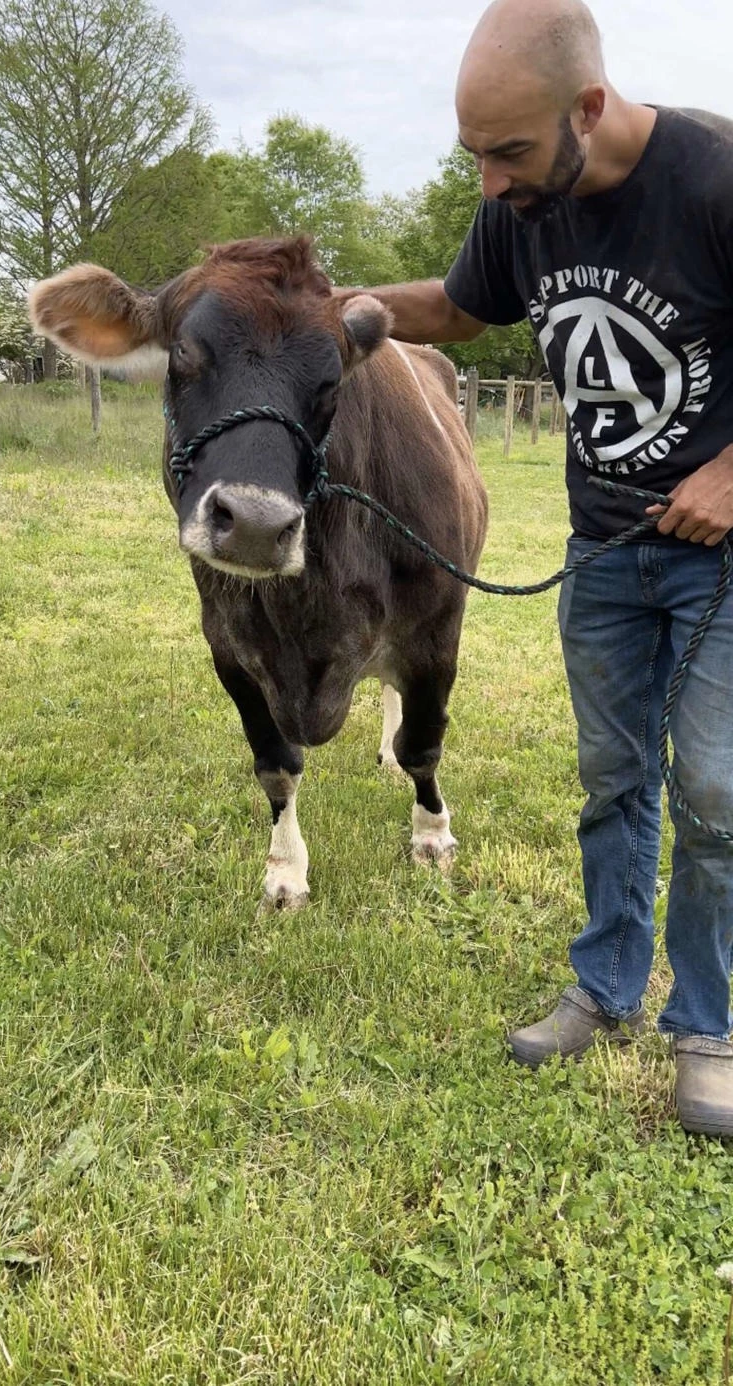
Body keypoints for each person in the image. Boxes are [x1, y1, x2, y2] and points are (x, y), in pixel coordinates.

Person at [339, 0, 733, 1136]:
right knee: (615, 783)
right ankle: (605, 989)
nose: (489, 186)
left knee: (714, 795)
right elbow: (459, 311)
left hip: (719, 565)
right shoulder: (521, 207)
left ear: (592, 109)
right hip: (602, 557)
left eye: (508, 152)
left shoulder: (711, 183)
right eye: (474, 156)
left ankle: (706, 1025)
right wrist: (339, 306)